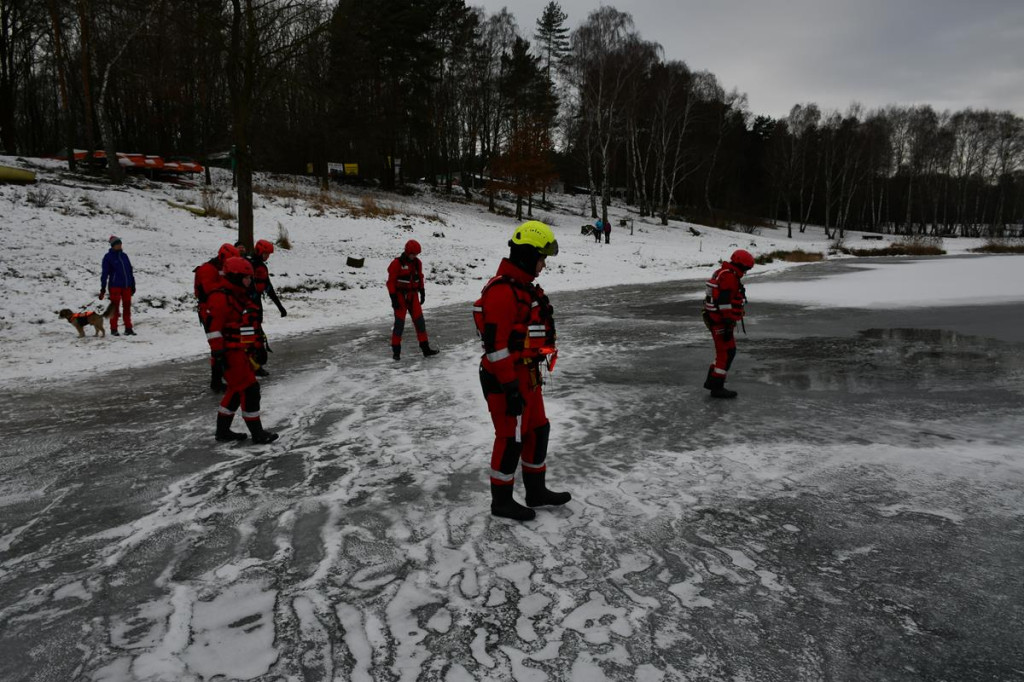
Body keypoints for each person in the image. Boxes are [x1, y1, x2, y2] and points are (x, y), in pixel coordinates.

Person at [473, 221, 571, 521]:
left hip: (528, 376)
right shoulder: (502, 293)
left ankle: (536, 490)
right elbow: (496, 347)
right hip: (506, 379)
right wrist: (510, 387)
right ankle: (501, 502)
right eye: (541, 258)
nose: (543, 265)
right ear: (528, 255)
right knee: (510, 438)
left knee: (538, 430)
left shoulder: (524, 289)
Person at [206, 257, 278, 444]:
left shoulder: (237, 294)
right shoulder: (221, 297)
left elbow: (244, 326)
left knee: (237, 390)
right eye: (246, 278)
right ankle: (257, 433)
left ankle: (223, 432)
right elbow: (214, 329)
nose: (249, 281)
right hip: (229, 353)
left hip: (238, 350)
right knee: (250, 389)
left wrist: (254, 347)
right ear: (236, 277)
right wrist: (219, 354)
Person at [702, 249, 755, 398]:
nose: (746, 271)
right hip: (720, 321)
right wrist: (727, 322)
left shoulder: (723, 272)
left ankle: (712, 382)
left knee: (726, 352)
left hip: (717, 319)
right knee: (725, 353)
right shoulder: (729, 277)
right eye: (747, 268)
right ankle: (717, 388)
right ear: (741, 265)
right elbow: (724, 301)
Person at [194, 243, 240, 391]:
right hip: (209, 312)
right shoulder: (207, 270)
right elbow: (211, 291)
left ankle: (221, 377)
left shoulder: (222, 267)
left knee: (225, 344)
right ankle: (216, 381)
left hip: (222, 310)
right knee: (217, 345)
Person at [386, 239, 438, 360]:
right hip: (400, 297)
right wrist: (393, 298)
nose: (415, 256)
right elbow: (391, 282)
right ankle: (396, 352)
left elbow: (420, 277)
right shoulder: (396, 263)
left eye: (416, 254)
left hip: (413, 296)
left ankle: (426, 349)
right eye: (413, 254)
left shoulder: (417, 263)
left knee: (420, 323)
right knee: (399, 325)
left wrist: (422, 291)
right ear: (407, 251)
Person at [246, 239, 286, 376]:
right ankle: (252, 367)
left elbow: (268, 288)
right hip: (247, 309)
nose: (268, 257)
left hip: (256, 307)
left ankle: (255, 366)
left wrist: (280, 307)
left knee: (256, 341)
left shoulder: (261, 267)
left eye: (268, 254)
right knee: (251, 341)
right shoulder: (248, 265)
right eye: (266, 254)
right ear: (259, 251)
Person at [99, 235, 136, 336]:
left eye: (120, 243)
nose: (119, 245)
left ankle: (128, 328)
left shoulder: (124, 256)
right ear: (112, 245)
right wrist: (102, 288)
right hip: (115, 286)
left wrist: (133, 284)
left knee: (127, 307)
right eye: (117, 244)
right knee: (115, 308)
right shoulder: (108, 257)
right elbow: (104, 274)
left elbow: (130, 271)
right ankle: (114, 329)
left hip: (126, 286)